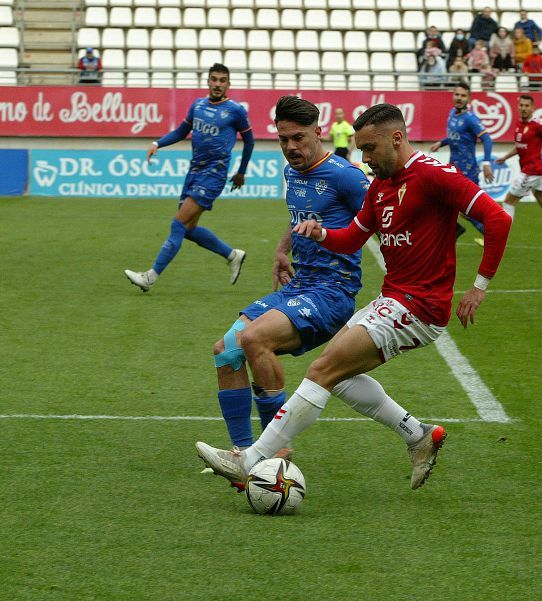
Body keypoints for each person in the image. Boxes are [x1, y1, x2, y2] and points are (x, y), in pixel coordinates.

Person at [195, 103, 513, 491]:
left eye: (369, 149)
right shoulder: (380, 187)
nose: (364, 158)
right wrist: (319, 234)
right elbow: (352, 237)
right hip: (392, 299)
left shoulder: (431, 173)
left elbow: (497, 218)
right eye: (360, 150)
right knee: (340, 378)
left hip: (419, 306)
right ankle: (418, 435)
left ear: (396, 138)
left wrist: (479, 287)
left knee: (320, 372)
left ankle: (251, 459)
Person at [211, 96, 369, 459]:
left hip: (333, 291)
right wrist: (283, 249)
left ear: (318, 132)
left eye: (298, 138)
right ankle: (242, 452)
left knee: (253, 339)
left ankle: (274, 451)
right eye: (283, 139)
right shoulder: (292, 172)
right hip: (299, 285)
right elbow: (299, 214)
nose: (290, 147)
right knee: (226, 351)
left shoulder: (345, 175)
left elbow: (380, 219)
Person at [124, 63, 253, 293]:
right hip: (194, 171)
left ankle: (150, 277)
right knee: (189, 228)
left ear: (228, 84)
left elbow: (249, 140)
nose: (217, 84)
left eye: (222, 80)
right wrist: (158, 143)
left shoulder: (235, 111)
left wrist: (241, 171)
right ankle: (232, 255)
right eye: (214, 79)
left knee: (178, 224)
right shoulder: (198, 105)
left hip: (215, 174)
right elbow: (182, 132)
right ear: (208, 81)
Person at [429, 82, 494, 239]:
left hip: (467, 171)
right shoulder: (452, 112)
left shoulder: (471, 119)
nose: (459, 98)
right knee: (442, 201)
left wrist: (486, 163)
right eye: (457, 94)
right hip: (453, 168)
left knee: (466, 209)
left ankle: (491, 234)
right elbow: (455, 137)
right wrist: (442, 142)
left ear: (469, 98)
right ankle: (456, 229)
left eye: (463, 95)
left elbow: (487, 140)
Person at [494, 94, 542, 218]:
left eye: (527, 106)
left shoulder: (537, 125)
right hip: (536, 172)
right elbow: (520, 146)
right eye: (521, 105)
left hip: (531, 171)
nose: (524, 108)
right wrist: (506, 157)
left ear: (533, 108)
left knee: (508, 202)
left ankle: (500, 236)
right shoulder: (519, 123)